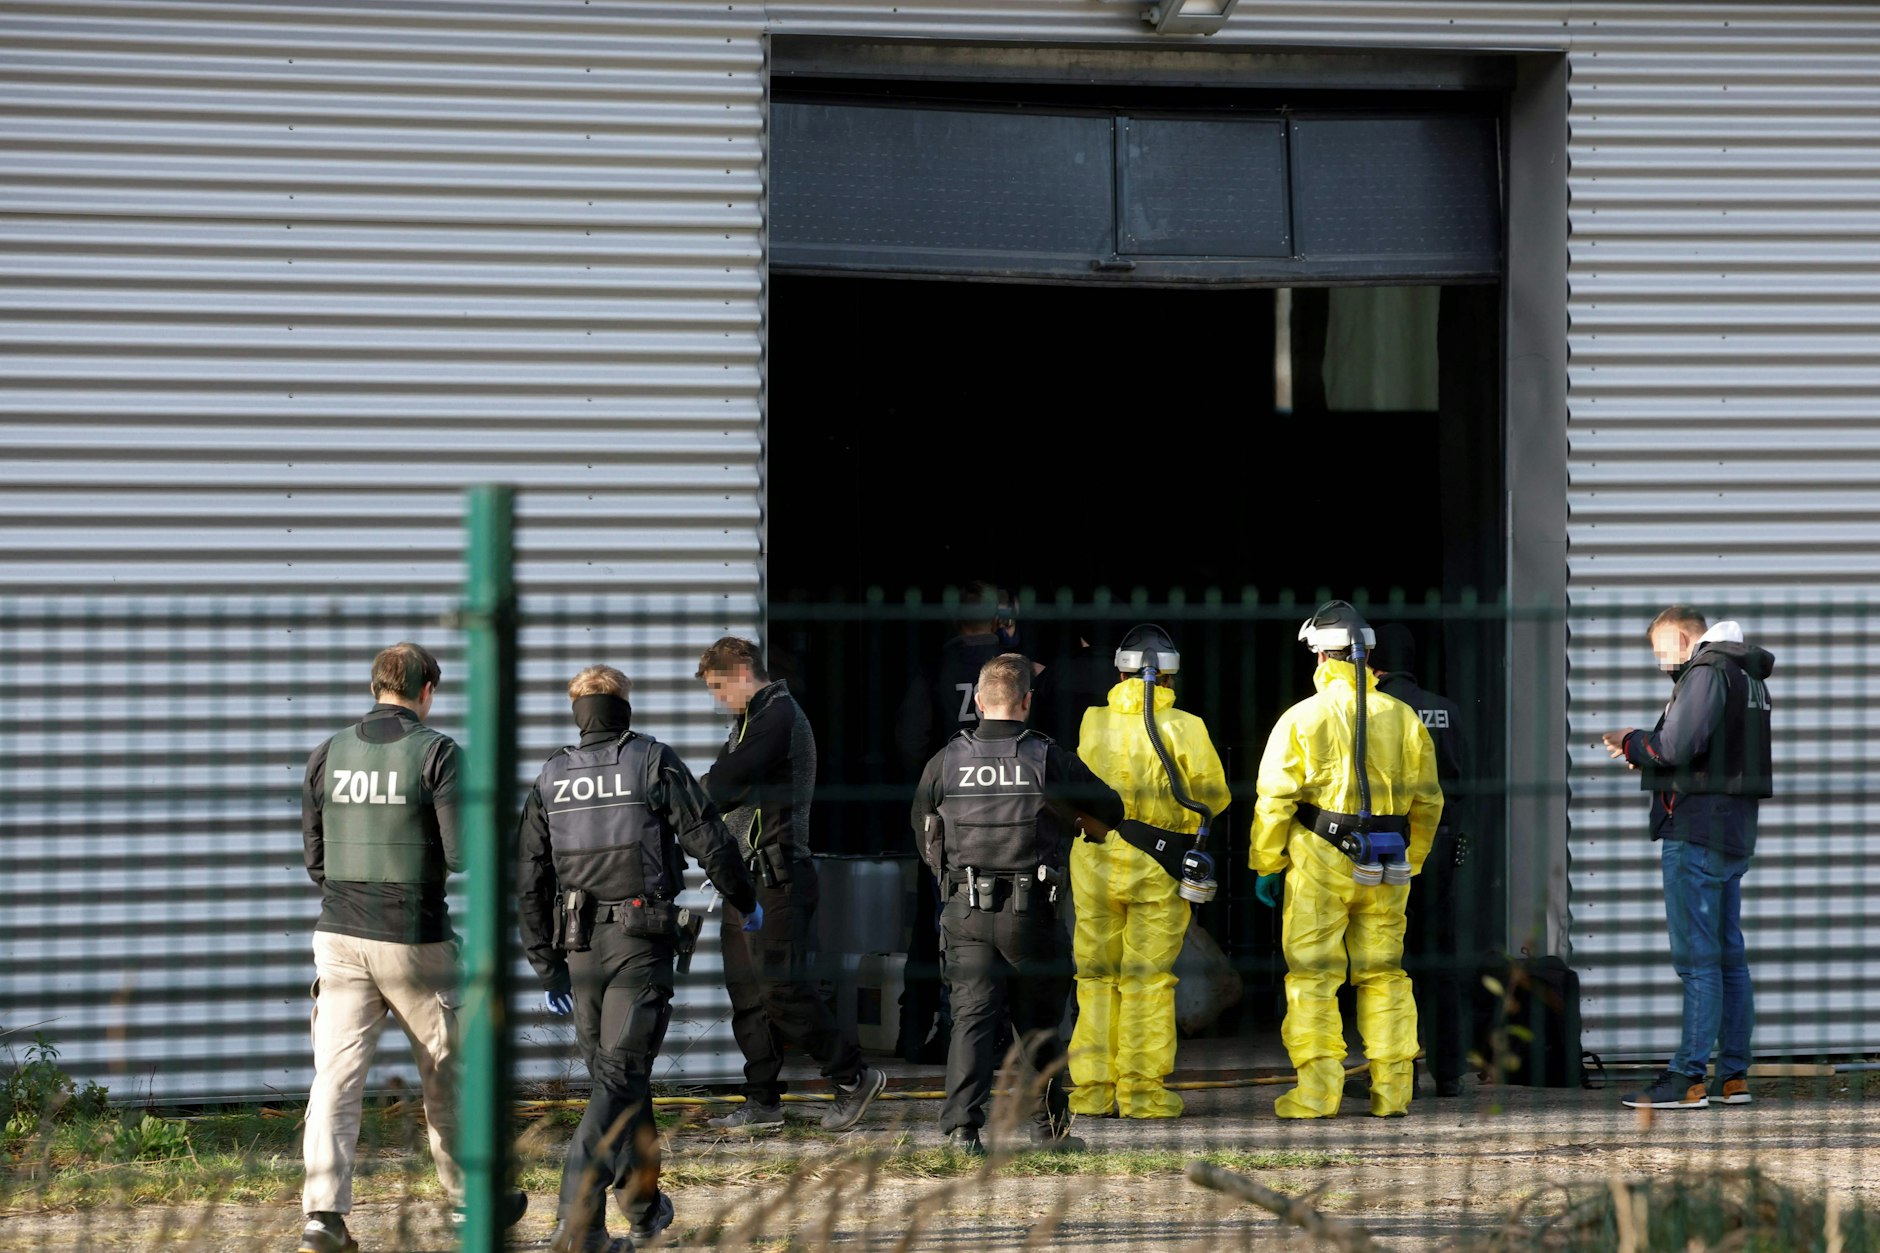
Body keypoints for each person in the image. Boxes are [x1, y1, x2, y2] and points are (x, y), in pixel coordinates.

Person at [518, 665, 762, 1253]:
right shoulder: (651, 760)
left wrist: (546, 964)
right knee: (619, 1079)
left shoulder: (552, 776)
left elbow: (527, 877)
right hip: (636, 942)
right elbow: (707, 834)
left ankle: (643, 1207)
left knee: (623, 1081)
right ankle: (578, 1223)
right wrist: (744, 897)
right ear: (622, 703)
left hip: (579, 951)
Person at [298, 642, 525, 1253]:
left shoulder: (327, 753)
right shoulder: (439, 753)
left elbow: (315, 859)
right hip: (414, 938)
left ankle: (323, 1219)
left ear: (376, 687)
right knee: (450, 1071)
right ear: (428, 691)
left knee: (335, 1081)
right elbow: (461, 855)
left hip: (338, 936)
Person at [911, 653, 1125, 1154]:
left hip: (964, 910)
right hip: (1032, 912)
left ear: (980, 703)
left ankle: (962, 1132)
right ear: (1027, 703)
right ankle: (1049, 1132)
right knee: (1038, 1023)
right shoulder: (1048, 757)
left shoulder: (945, 760)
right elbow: (1111, 808)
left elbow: (924, 832)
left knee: (971, 1019)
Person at [1249, 602, 1443, 1119]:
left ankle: (1316, 1095)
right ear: (1370, 656)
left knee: (1313, 977)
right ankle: (1393, 1093)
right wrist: (1414, 859)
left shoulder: (1301, 718)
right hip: (1389, 863)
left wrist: (1267, 863)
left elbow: (1274, 799)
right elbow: (1429, 801)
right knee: (1385, 976)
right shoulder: (1403, 717)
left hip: (1319, 860)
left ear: (1318, 657)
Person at [694, 636, 887, 1132]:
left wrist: (685, 798)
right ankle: (763, 1102)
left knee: (781, 988)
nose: (718, 699)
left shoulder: (777, 717)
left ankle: (853, 1076)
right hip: (745, 877)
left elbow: (723, 782)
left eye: (719, 687)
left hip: (778, 877)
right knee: (747, 996)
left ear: (741, 671)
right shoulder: (747, 722)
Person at [1603, 606, 1773, 1111]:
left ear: (1682, 637)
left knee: (1699, 962)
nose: (1662, 664)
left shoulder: (1709, 670)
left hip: (1696, 830)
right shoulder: (1748, 674)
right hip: (1734, 830)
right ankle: (1734, 1077)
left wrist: (1632, 742)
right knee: (1728, 958)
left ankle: (1687, 1078)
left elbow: (1675, 747)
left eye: (1661, 652)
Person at [1068, 625, 1230, 1119]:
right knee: (1148, 980)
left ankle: (1093, 1091)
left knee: (1095, 978)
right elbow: (1214, 797)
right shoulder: (1187, 726)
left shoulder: (1092, 722)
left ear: (1118, 672)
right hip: (1157, 868)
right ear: (1170, 680)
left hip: (1094, 862)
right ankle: (1141, 1094)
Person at [1370, 624, 1471, 1098]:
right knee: (1441, 956)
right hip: (1443, 841)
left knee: (1386, 959)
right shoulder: (1446, 709)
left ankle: (1393, 1072)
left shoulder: (1373, 710)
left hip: (1390, 843)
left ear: (1371, 663)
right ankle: (1449, 1072)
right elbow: (1463, 777)